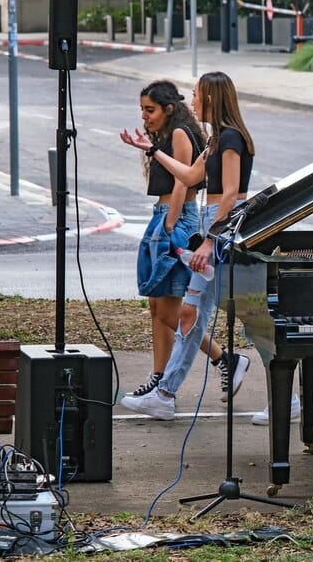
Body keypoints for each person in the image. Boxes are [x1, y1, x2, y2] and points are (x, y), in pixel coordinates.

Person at [119, 72, 254, 420]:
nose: (190, 101)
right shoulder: (215, 140)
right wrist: (151, 150)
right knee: (191, 312)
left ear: (210, 98)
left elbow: (230, 194)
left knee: (254, 318)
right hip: (212, 224)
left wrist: (209, 240)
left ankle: (288, 397)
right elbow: (191, 176)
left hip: (222, 227)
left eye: (195, 94)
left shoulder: (232, 139)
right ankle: (165, 393)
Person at [128, 80, 205, 399]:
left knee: (169, 308)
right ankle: (158, 376)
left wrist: (169, 224)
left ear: (169, 109)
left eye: (150, 110)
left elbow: (182, 182)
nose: (145, 116)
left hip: (176, 217)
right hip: (164, 215)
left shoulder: (179, 134)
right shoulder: (166, 135)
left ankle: (224, 358)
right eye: (142, 110)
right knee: (156, 304)